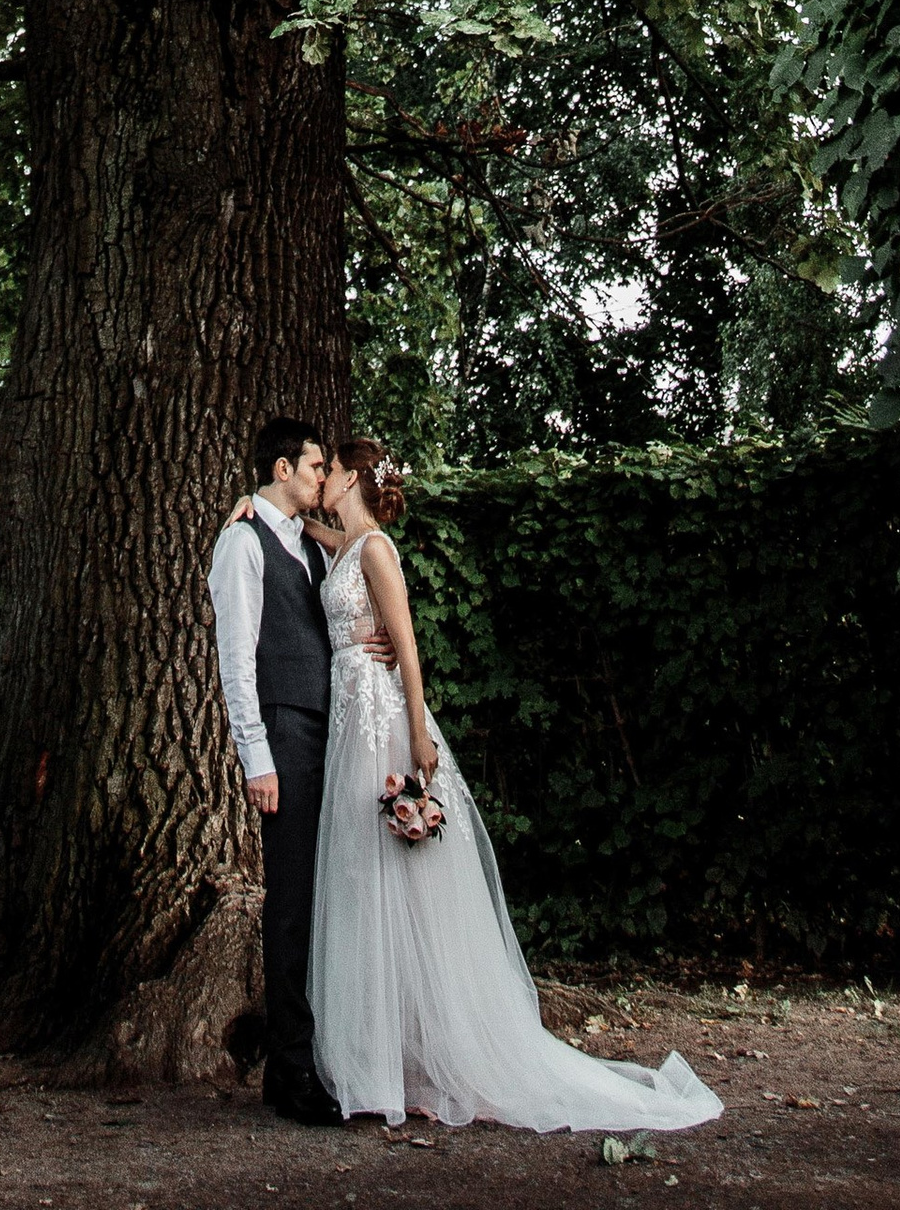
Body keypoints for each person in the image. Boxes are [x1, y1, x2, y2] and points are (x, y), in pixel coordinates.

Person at [305, 438, 724, 1136]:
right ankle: (386, 1061)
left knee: (396, 877)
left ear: (350, 478)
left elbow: (405, 644)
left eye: (331, 472)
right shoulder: (345, 545)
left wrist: (419, 733)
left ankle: (423, 1059)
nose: (323, 481)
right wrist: (274, 518)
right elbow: (317, 531)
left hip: (379, 717)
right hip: (348, 720)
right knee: (362, 875)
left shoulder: (377, 551)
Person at [207, 415, 345, 1125]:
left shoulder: (307, 543)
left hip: (336, 736)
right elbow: (237, 659)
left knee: (331, 899)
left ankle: (330, 1053)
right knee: (290, 902)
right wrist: (255, 757)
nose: (324, 476)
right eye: (316, 465)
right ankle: (289, 1070)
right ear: (283, 468)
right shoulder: (241, 544)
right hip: (285, 739)